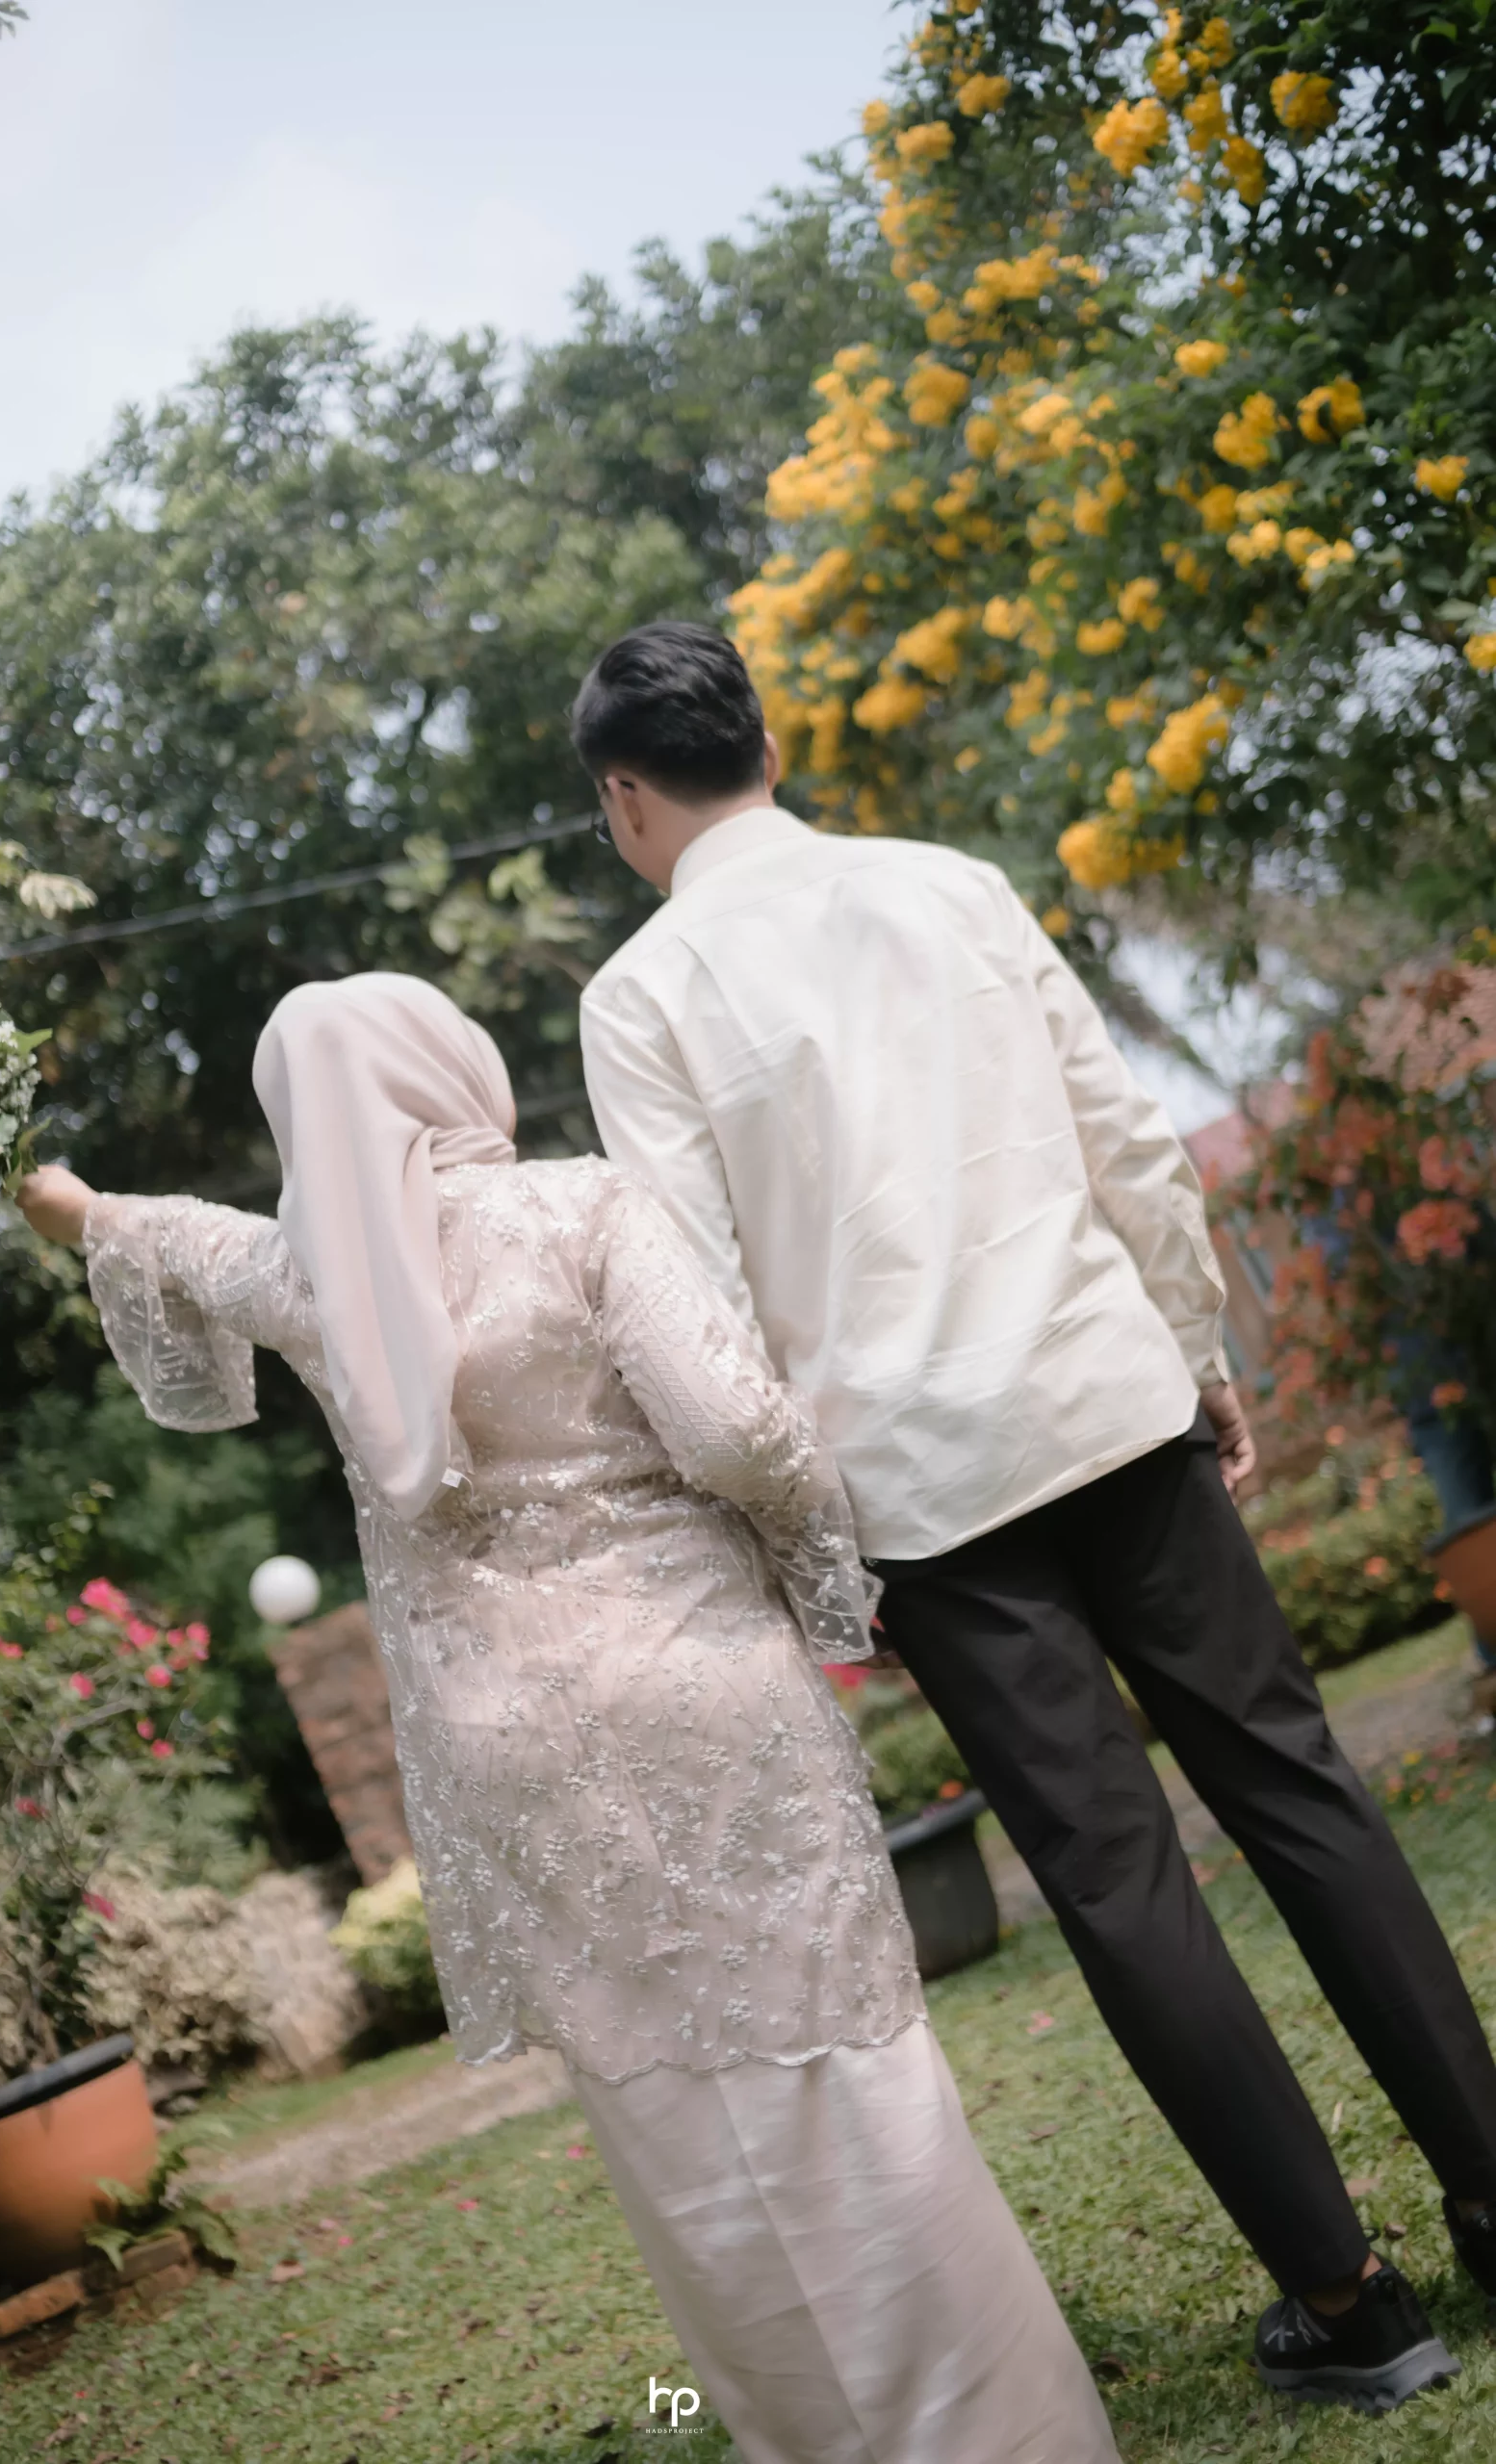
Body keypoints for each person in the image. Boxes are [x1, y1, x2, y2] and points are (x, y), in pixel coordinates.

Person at [575, 618, 1496, 2413]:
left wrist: (804, 1545)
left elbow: (695, 1313)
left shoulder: (643, 997)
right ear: (766, 744)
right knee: (1298, 1784)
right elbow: (1125, 1140)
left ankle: (1350, 2303)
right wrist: (1194, 1349)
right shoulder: (949, 885)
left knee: (1117, 1877)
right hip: (1108, 1400)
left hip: (924, 1497)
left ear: (624, 799)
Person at [16, 973, 1115, 2464]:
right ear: (448, 1070)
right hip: (693, 1694)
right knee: (835, 2064)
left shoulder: (311, 1278)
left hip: (511, 1754)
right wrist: (826, 1568)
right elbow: (735, 1431)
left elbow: (131, 1225)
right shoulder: (575, 1208)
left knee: (672, 2121)